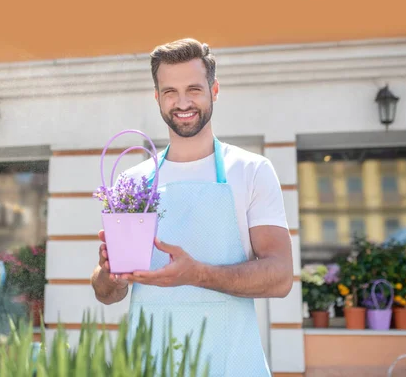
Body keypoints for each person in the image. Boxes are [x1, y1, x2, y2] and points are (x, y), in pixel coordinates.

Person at [91, 38, 293, 376]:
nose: (182, 102)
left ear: (214, 91)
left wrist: (196, 274)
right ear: (157, 98)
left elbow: (280, 276)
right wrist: (112, 274)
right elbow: (106, 294)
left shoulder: (250, 170)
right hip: (150, 366)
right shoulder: (133, 181)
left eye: (194, 89)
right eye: (170, 91)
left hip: (231, 364)